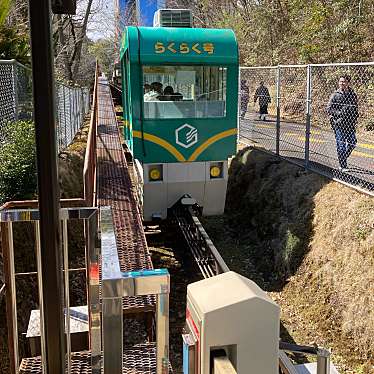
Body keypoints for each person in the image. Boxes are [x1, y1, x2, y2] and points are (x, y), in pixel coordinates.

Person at [327, 75, 358, 172]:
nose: (341, 83)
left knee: (352, 143)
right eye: (340, 81)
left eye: (344, 81)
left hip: (350, 124)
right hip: (339, 124)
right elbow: (329, 109)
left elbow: (355, 107)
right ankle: (343, 165)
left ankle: (343, 158)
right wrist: (339, 113)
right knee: (341, 145)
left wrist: (355, 115)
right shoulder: (335, 94)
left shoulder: (353, 94)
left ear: (348, 83)